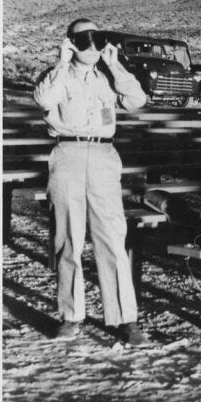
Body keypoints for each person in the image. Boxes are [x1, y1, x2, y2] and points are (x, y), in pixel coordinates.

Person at [33, 18, 151, 345]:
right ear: (71, 42)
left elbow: (136, 100)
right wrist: (61, 61)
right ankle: (71, 316)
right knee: (68, 238)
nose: (92, 46)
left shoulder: (107, 78)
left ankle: (123, 318)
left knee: (112, 237)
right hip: (68, 155)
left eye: (97, 38)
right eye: (84, 39)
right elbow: (44, 100)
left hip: (103, 157)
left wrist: (115, 66)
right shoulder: (56, 76)